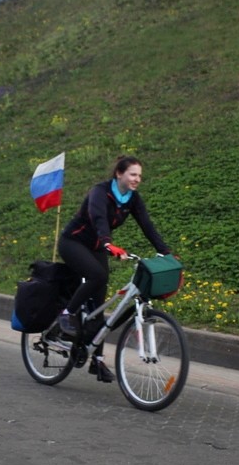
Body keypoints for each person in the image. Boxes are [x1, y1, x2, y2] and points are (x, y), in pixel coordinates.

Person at [56, 154, 172, 382]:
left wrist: (166, 252)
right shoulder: (100, 192)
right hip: (74, 242)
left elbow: (147, 225)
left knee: (98, 303)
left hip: (98, 247)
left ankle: (97, 360)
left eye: (139, 175)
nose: (137, 179)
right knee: (97, 276)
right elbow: (98, 217)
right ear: (119, 173)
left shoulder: (132, 199)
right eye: (133, 174)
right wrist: (108, 242)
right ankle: (67, 314)